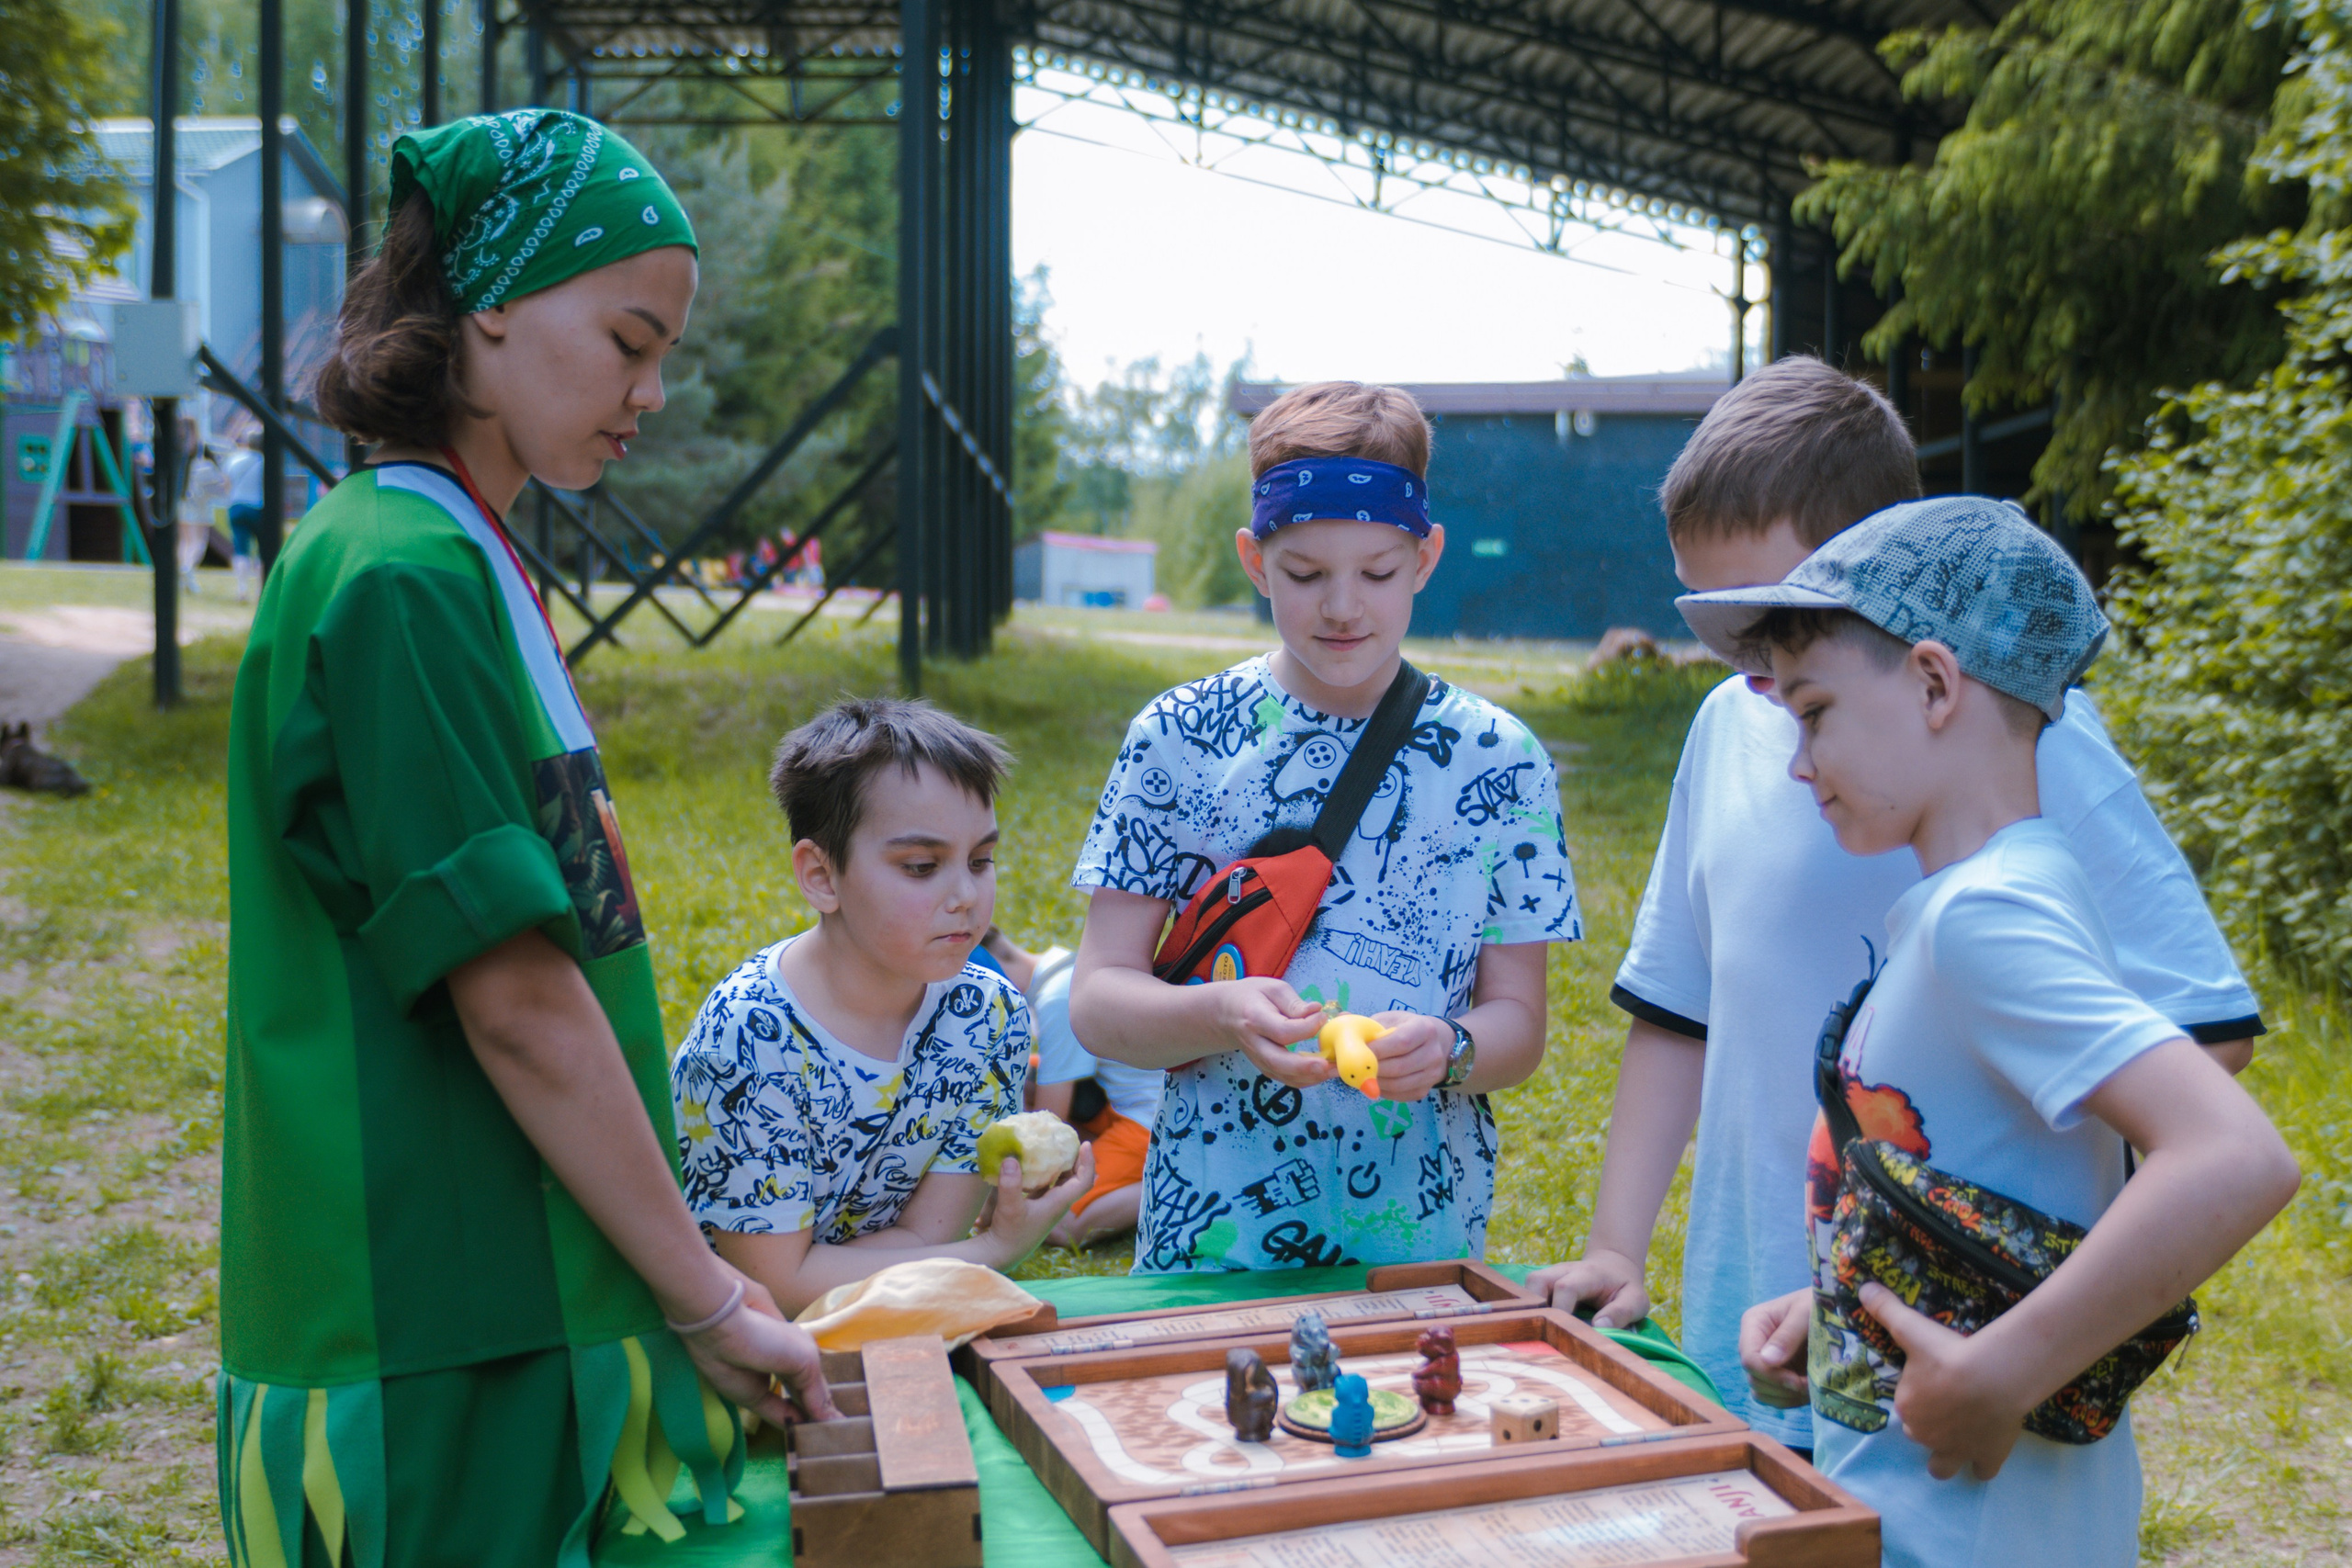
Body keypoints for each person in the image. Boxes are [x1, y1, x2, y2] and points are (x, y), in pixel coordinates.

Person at [220, 108, 835, 1568]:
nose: (654, 390)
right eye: (629, 339)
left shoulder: (454, 551)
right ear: (488, 298)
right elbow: (516, 999)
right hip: (438, 1323)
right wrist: (705, 1293)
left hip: (505, 1295)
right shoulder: (403, 577)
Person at [1529, 359, 2264, 1454]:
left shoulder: (2032, 739)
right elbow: (1679, 1009)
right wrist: (1616, 1249)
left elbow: (2204, 1042)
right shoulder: (1731, 733)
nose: (1758, 670)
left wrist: (1995, 1289)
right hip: (1764, 1329)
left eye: (1780, 619)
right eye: (1732, 634)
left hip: (1957, 1361)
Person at [1681, 497, 2300, 1566]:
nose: (1795, 762)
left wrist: (2006, 1368)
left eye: (1814, 711)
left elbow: (2235, 1156)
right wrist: (1836, 1296)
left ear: (1932, 683)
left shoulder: (1986, 920)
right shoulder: (2003, 893)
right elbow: (1998, 1185)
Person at [1068, 381, 1580, 1273]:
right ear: (1254, 560)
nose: (1343, 606)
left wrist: (1453, 1048)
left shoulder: (1499, 760)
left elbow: (1519, 1026)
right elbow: (1098, 1002)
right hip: (1211, 1233)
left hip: (1418, 1239)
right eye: (1305, 574)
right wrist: (1219, 1012)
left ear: (1426, 558)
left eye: (1377, 572)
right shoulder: (1180, 737)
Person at [671, 700, 1095, 1314]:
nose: (967, 895)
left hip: (889, 1325)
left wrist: (955, 1253)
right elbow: (776, 1286)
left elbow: (931, 1237)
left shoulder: (988, 1016)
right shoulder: (749, 1037)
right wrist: (996, 1250)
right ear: (821, 875)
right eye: (921, 866)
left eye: (981, 860)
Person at [222, 427, 265, 601]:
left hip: (236, 506)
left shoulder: (234, 459)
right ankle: (260, 590)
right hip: (259, 507)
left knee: (240, 549)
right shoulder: (266, 461)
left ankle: (242, 588)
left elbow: (226, 483)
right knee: (263, 550)